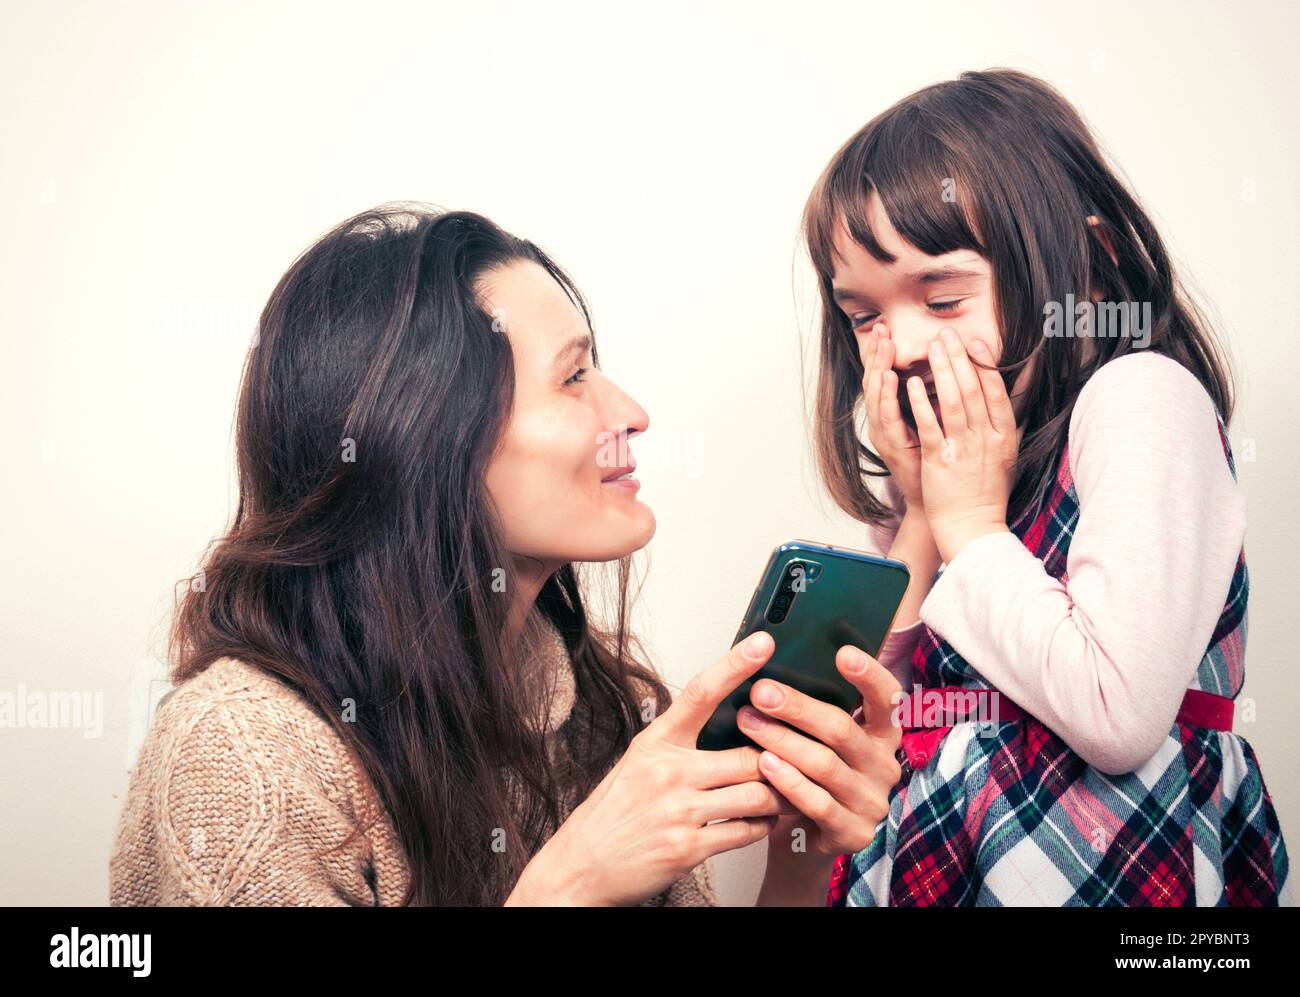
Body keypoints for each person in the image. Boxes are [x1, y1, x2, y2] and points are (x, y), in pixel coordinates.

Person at [109, 204, 904, 906]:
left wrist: (800, 856)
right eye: (574, 376)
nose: (630, 411)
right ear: (421, 440)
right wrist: (574, 882)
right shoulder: (244, 755)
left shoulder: (600, 699)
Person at [802, 68, 1291, 905]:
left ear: (1091, 271)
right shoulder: (963, 474)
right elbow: (883, 710)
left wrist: (968, 524)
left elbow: (1116, 713)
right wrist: (922, 513)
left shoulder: (1139, 396)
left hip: (1116, 863)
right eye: (864, 315)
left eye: (944, 295)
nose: (903, 343)